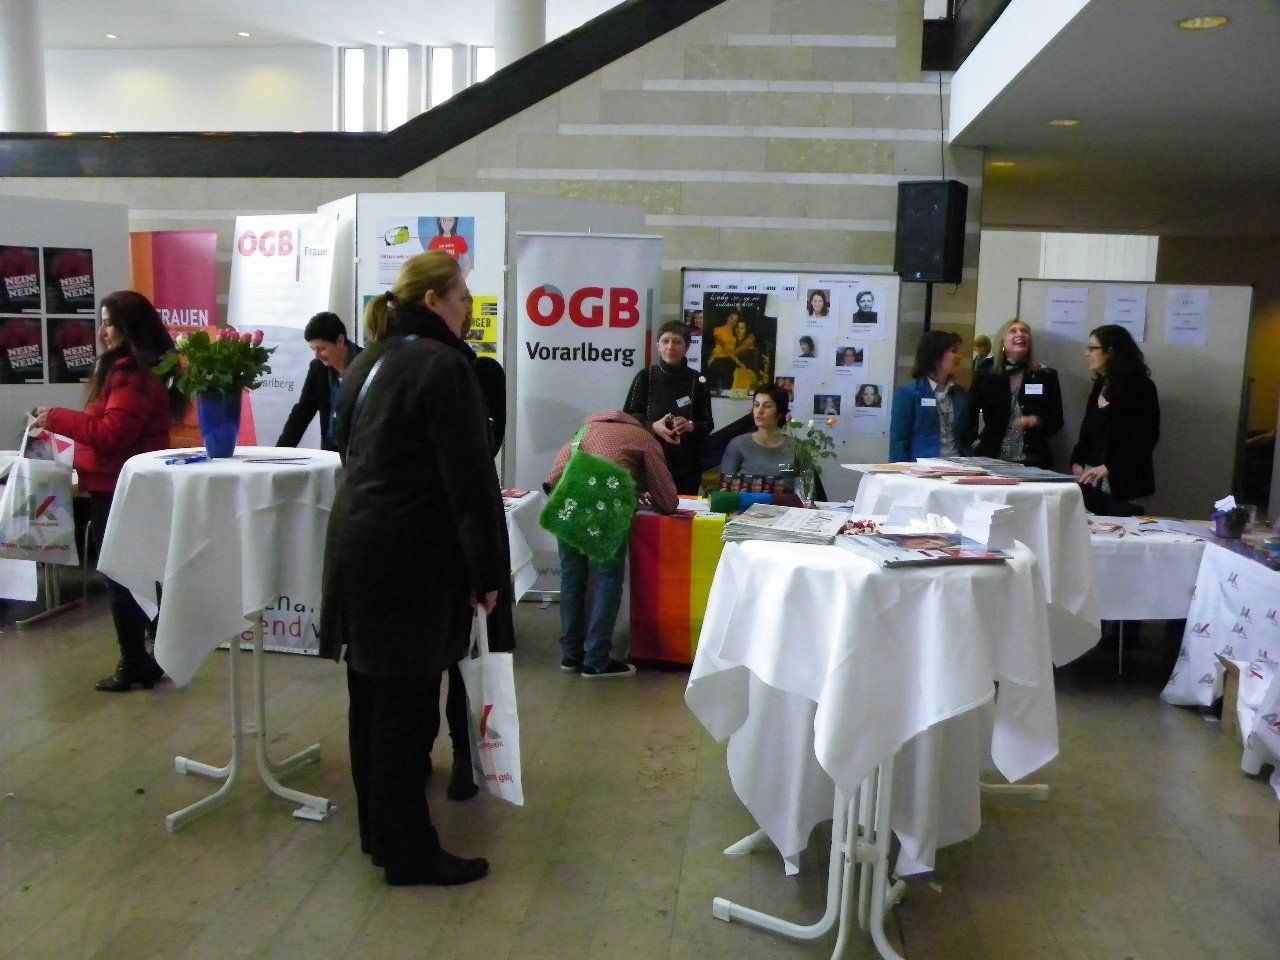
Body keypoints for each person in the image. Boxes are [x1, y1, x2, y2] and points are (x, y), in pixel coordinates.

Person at [320, 251, 509, 887]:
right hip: (411, 557)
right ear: (433, 301)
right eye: (462, 297)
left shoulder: (371, 358)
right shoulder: (443, 365)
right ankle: (409, 852)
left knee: (372, 703)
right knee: (406, 710)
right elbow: (468, 479)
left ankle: (381, 836)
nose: (469, 308)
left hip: (361, 547)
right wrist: (487, 573)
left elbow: (348, 451)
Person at [35, 291, 184, 692]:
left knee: (120, 575)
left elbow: (111, 434)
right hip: (121, 485)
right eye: (101, 323)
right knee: (133, 575)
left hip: (119, 488)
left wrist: (56, 418)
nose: (102, 331)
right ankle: (151, 655)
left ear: (129, 328)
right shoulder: (136, 370)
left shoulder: (130, 375)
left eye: (109, 323)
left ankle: (135, 661)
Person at [545, 411, 678, 678]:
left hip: (567, 505)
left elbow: (554, 478)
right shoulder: (643, 437)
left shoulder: (584, 431)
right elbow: (666, 498)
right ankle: (597, 660)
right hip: (606, 508)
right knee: (607, 579)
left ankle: (571, 655)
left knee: (571, 579)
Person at [1070, 324, 1160, 515]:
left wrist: (1110, 467)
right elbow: (1088, 432)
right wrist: (1076, 460)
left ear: (1110, 351)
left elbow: (1145, 439)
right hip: (1090, 482)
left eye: (1092, 348)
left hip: (1123, 484)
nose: (1086, 353)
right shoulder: (1099, 386)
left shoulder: (1142, 388)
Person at [623, 319, 713, 495]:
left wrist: (690, 425)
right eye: (665, 341)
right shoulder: (645, 377)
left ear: (687, 346)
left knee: (682, 511)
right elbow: (627, 419)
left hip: (685, 466)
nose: (670, 347)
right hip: (648, 462)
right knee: (648, 511)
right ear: (658, 345)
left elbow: (707, 424)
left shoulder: (698, 381)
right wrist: (653, 426)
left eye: (677, 342)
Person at [968, 320, 1063, 468]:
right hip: (991, 458)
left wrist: (1036, 420)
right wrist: (974, 444)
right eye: (1013, 331)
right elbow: (968, 415)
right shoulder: (987, 373)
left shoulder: (1045, 376)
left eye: (1024, 331)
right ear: (1002, 341)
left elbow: (1057, 421)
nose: (1020, 334)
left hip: (1033, 461)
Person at [275, 312, 361, 451]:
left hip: (360, 452)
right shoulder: (318, 369)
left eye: (321, 349)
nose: (316, 356)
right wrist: (279, 453)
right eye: (313, 349)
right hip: (330, 452)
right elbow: (302, 413)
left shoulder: (366, 364)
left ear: (340, 341)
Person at [889, 330, 971, 462]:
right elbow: (899, 441)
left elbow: (965, 437)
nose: (959, 356)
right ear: (936, 354)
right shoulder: (909, 393)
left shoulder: (959, 393)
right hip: (922, 466)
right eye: (954, 351)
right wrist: (900, 470)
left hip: (958, 465)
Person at [720, 386, 797, 477]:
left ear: (780, 413)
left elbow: (803, 481)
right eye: (756, 405)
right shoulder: (738, 445)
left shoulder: (795, 447)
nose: (759, 411)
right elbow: (726, 482)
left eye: (767, 406)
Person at [708, 312, 758, 390]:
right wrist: (737, 361)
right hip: (719, 360)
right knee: (727, 373)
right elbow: (724, 346)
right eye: (731, 318)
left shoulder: (735, 334)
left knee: (738, 374)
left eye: (735, 320)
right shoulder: (718, 329)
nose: (732, 321)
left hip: (730, 359)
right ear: (727, 317)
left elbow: (735, 351)